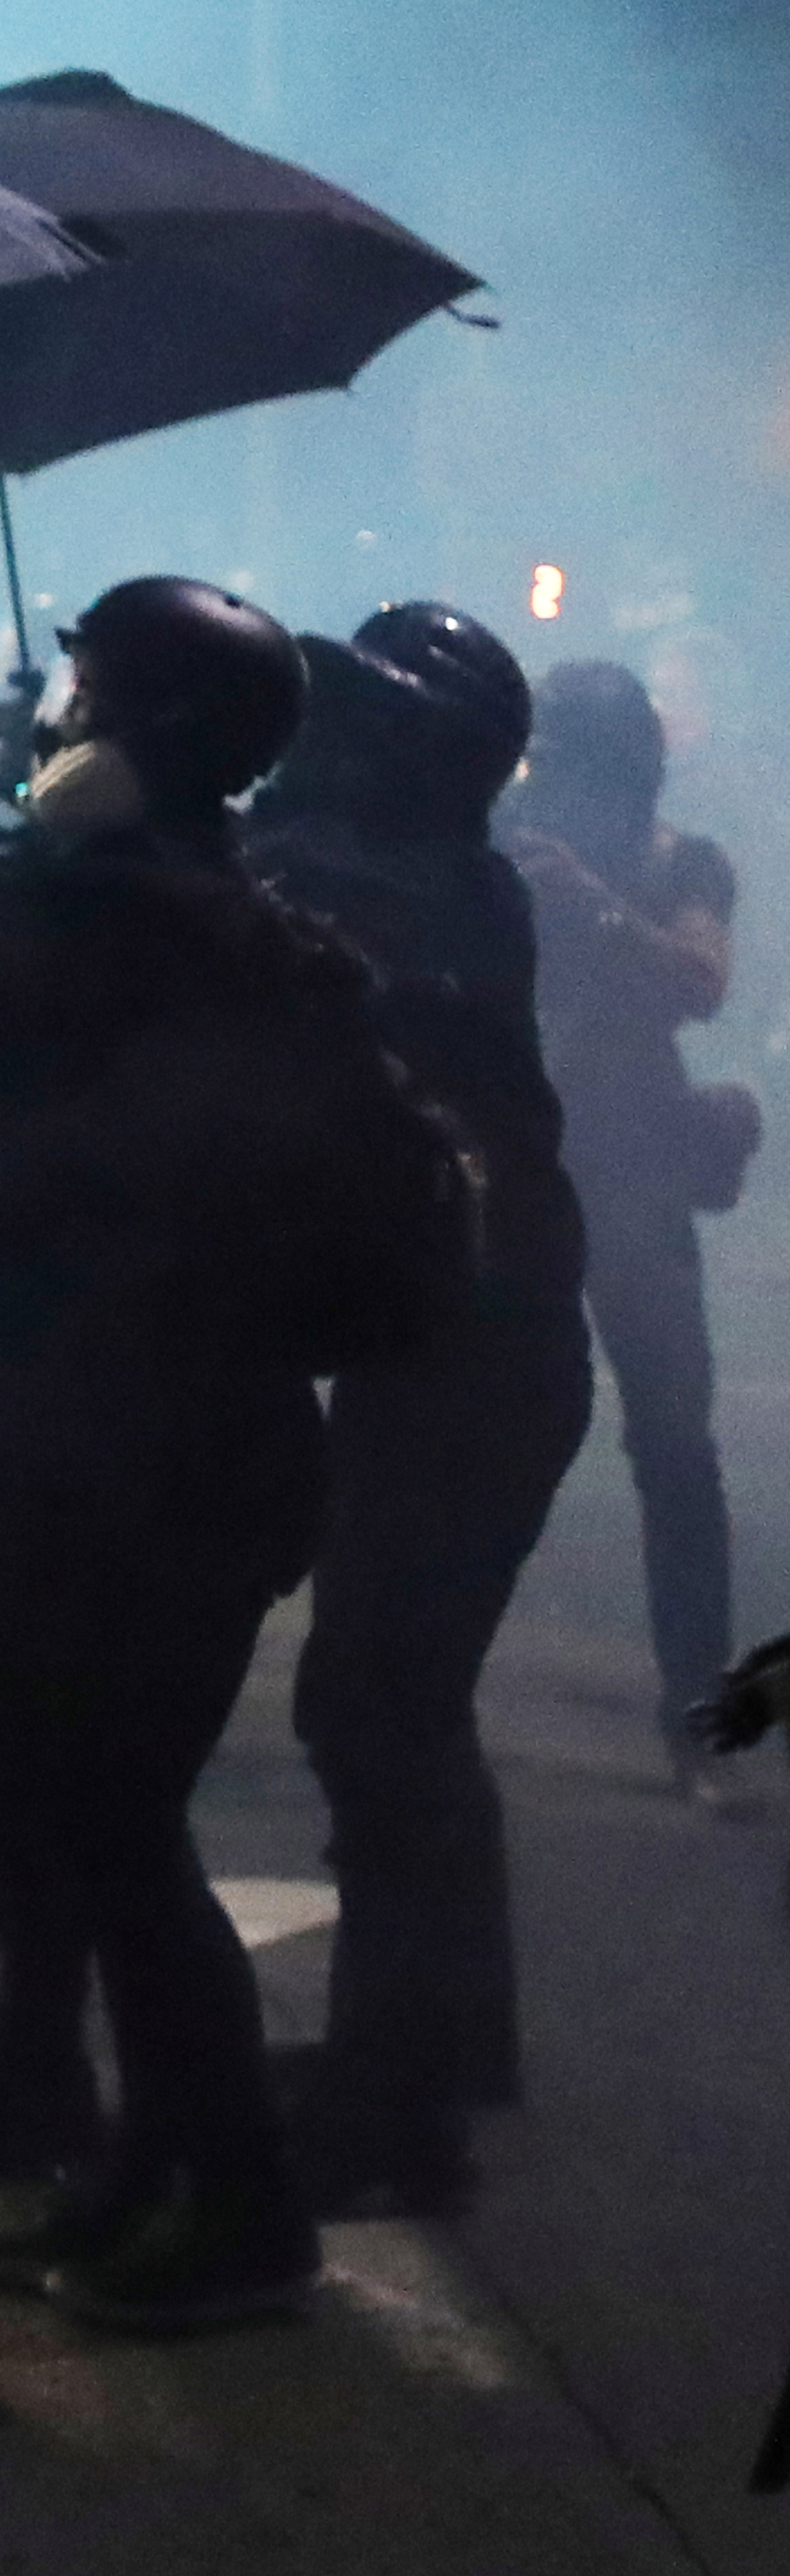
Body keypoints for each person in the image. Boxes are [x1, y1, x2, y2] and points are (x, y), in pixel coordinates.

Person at [0, 578, 446, 2333]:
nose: (37, 719)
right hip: (130, 1441)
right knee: (68, 1802)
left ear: (148, 734)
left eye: (74, 694)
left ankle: (244, 2216)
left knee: (112, 1827)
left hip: (152, 1455)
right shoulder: (182, 915)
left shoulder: (137, 923)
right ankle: (139, 2162)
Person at [249, 604, 588, 2218]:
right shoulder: (430, 879)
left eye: (349, 721)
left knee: (376, 1710)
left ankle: (398, 2109)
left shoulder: (421, 896)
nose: (312, 743)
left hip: (475, 1360)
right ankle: (445, 2048)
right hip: (461, 1351)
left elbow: (304, 912)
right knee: (403, 1708)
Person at [507, 660, 751, 1789]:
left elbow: (698, 979)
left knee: (674, 1445)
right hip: (520, 1157)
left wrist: (594, 909)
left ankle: (697, 1712)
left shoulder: (677, 861)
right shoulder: (503, 847)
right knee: (483, 1423)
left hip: (631, 1170)